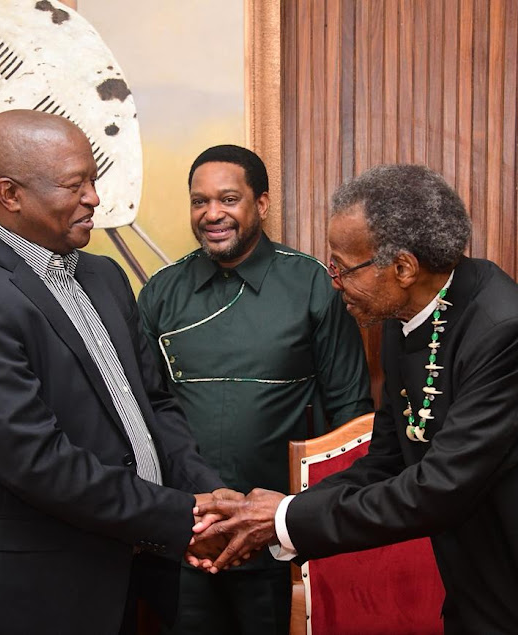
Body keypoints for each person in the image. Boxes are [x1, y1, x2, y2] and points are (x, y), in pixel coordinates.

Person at [194, 164, 518, 634]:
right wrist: (277, 512)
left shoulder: (509, 330)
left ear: (403, 267)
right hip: (486, 589)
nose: (334, 281)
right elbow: (387, 460)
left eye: (342, 267)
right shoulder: (403, 316)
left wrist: (282, 519)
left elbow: (439, 487)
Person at [0, 110, 236, 635]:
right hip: (38, 590)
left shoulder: (104, 274)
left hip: (135, 572)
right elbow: (37, 461)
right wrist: (179, 514)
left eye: (93, 180)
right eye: (77, 185)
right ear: (10, 194)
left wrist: (211, 496)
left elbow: (154, 404)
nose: (95, 197)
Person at [137, 144, 373, 634]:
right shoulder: (160, 291)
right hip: (186, 537)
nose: (212, 214)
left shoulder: (311, 284)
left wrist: (314, 521)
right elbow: (141, 413)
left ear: (261, 204)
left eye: (228, 199)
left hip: (281, 538)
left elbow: (351, 415)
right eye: (199, 202)